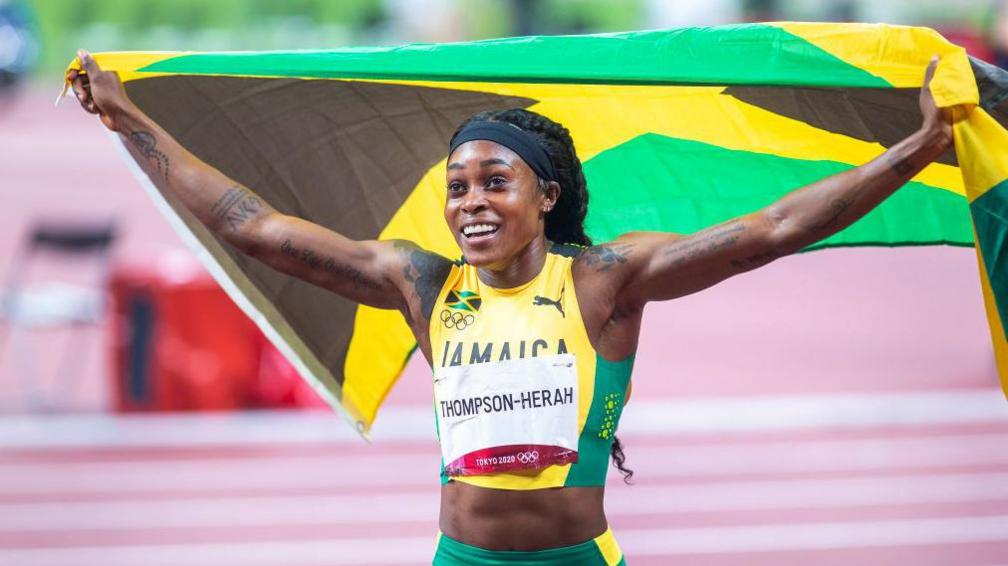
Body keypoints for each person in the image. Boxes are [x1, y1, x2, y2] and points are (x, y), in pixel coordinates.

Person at [68, 48, 952, 565]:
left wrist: (919, 147)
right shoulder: (421, 284)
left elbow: (770, 229)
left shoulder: (604, 279)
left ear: (547, 194)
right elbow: (250, 223)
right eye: (458, 187)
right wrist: (127, 121)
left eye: (497, 181)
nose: (472, 203)